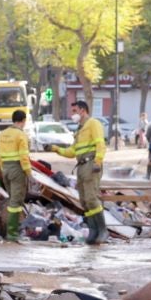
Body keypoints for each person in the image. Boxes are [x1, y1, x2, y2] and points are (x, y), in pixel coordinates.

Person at [49, 98, 107, 244]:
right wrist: (55, 149)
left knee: (91, 198)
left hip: (91, 164)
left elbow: (100, 144)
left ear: (83, 110)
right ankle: (93, 231)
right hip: (81, 166)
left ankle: (102, 231)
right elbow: (72, 152)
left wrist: (98, 162)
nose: (72, 114)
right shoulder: (80, 130)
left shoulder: (93, 124)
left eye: (74, 111)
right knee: (85, 201)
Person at [0, 109, 31, 242]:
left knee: (12, 199)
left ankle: (13, 229)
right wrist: (29, 173)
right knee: (15, 202)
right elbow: (24, 157)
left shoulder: (3, 134)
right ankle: (12, 232)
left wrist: (3, 170)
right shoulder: (21, 135)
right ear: (23, 121)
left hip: (5, 169)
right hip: (17, 170)